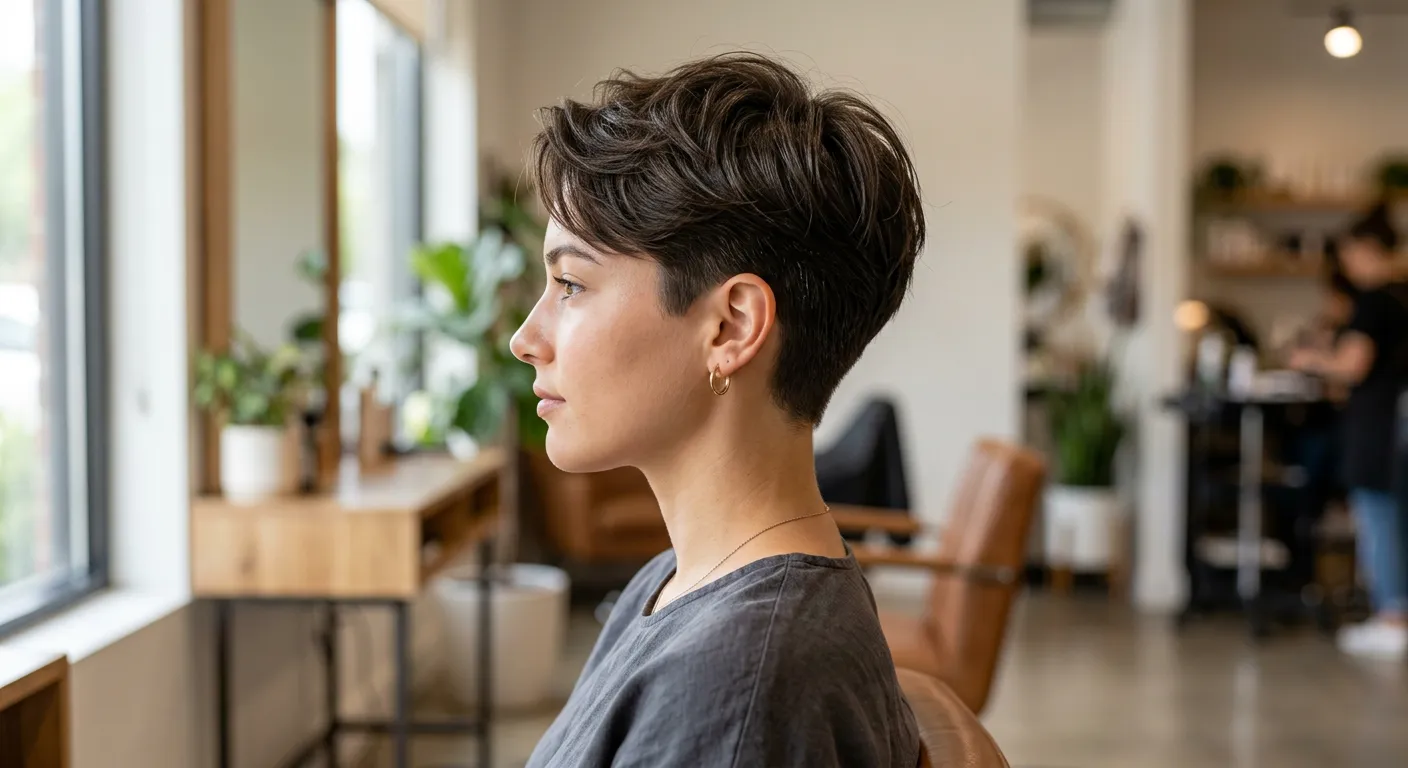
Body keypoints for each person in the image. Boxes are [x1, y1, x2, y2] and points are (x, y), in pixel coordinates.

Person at [510, 52, 924, 767]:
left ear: (731, 327)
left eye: (572, 285)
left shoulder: (734, 684)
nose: (525, 339)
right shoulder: (681, 581)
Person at [1290, 201, 1408, 657]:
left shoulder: (1375, 302)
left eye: (1349, 255)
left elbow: (1353, 367)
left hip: (1377, 424)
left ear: (1367, 249)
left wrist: (1309, 360)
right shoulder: (1403, 295)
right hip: (1397, 422)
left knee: (1377, 516)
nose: (1347, 265)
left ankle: (1391, 616)